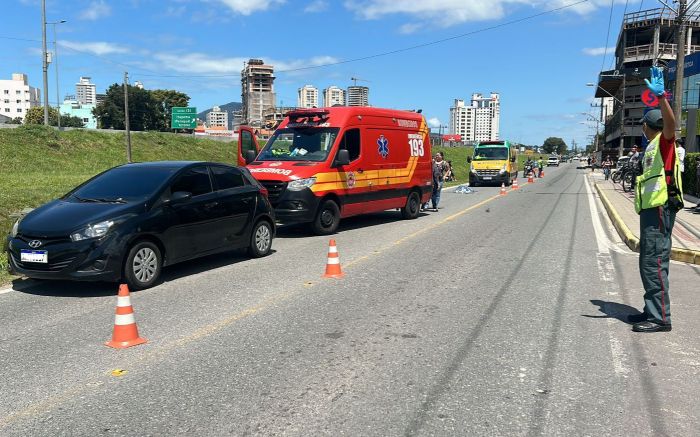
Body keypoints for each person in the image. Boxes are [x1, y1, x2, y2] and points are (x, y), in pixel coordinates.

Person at [627, 66, 684, 333]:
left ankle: (660, 317)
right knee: (647, 260)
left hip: (661, 209)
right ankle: (651, 309)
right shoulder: (652, 146)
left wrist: (662, 99)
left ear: (647, 126)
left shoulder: (664, 141)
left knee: (654, 261)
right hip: (651, 209)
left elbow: (672, 125)